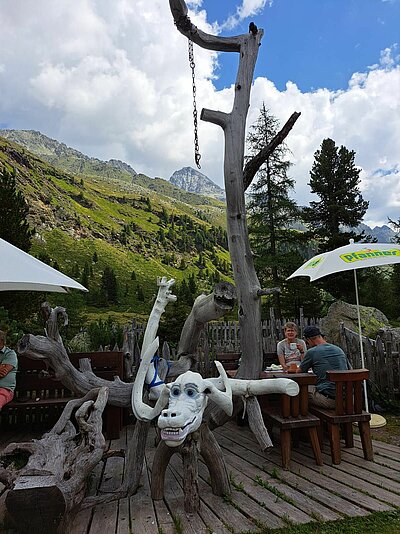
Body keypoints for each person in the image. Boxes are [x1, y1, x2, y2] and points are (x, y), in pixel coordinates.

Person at [298, 325, 349, 409]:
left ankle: (304, 418)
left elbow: (299, 373)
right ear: (320, 336)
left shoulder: (312, 352)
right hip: (348, 398)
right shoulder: (339, 350)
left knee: (298, 389)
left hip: (330, 400)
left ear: (309, 340)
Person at [0, 330, 18, 410]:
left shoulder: (10, 354)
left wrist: (2, 369)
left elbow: (2, 373)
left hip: (4, 390)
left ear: (2, 341)